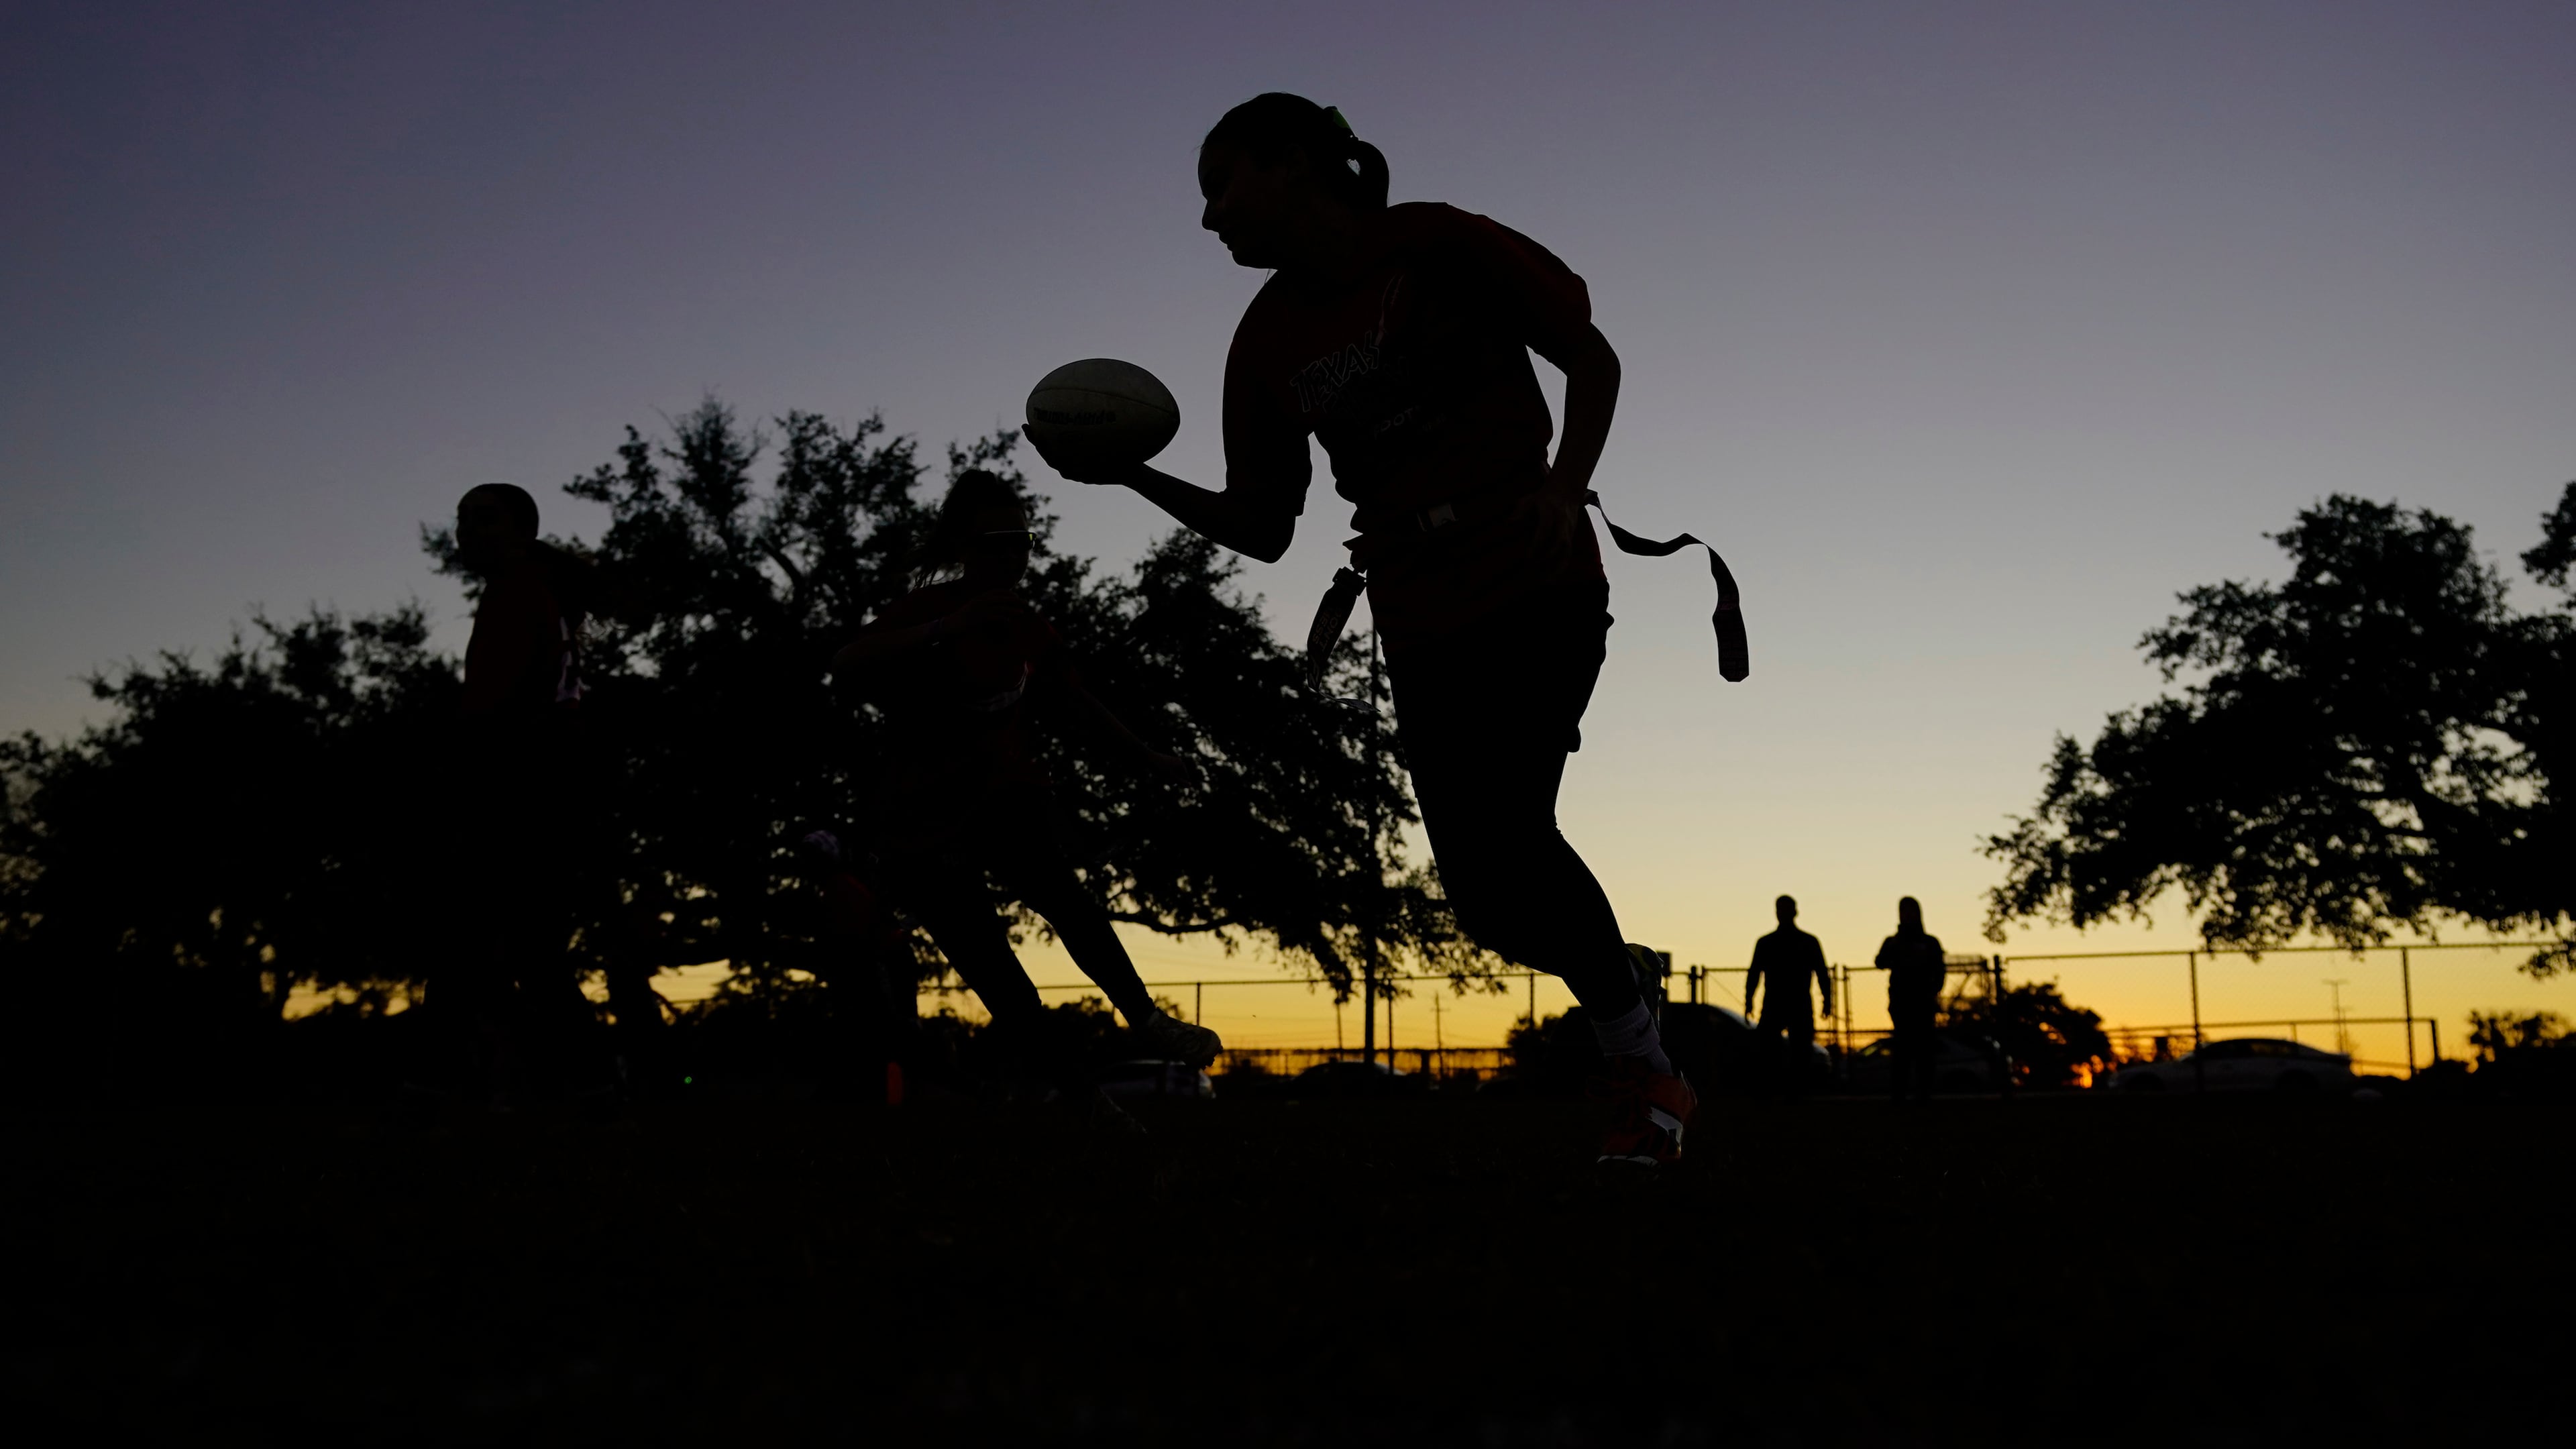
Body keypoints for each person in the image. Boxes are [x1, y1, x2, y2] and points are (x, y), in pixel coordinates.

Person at [1022, 93, 1692, 1171]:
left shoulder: (1440, 241)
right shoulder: (1264, 339)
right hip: (1417, 614)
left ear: (1295, 163)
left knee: (1516, 834)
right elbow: (1262, 525)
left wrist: (1566, 489)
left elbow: (1592, 359)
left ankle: (1646, 1073)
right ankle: (1617, 978)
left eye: (1222, 186)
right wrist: (1130, 471)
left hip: (1534, 576)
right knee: (1484, 899)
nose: (1210, 220)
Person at [829, 471, 1218, 1124]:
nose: (1011, 556)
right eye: (995, 543)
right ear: (965, 547)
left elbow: (1076, 700)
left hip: (1003, 793)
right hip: (920, 824)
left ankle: (1146, 1018)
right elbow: (845, 662)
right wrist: (947, 626)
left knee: (1063, 893)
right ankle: (1081, 1098)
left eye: (1022, 541)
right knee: (1003, 981)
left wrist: (1147, 755)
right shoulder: (929, 611)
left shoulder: (1028, 628)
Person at [447, 482, 606, 1106]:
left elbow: (489, 707)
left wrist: (467, 779)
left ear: (522, 529)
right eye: (462, 520)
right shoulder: (538, 594)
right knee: (518, 953)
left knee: (482, 947)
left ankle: (438, 1089)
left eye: (483, 519)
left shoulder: (518, 594)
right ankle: (584, 1083)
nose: (467, 531)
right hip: (541, 791)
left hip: (517, 791)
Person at [1744, 895, 1832, 1097]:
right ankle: (1788, 1091)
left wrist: (1827, 999)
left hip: (1788, 1002)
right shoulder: (1805, 942)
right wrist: (1827, 1000)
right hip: (1788, 1002)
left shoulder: (1770, 942)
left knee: (1790, 1050)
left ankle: (1786, 1091)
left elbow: (1821, 972)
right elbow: (1755, 973)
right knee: (1785, 1050)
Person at [1876, 897, 1947, 1103]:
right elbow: (1880, 962)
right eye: (1904, 912)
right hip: (1901, 1004)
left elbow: (1940, 971)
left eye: (1910, 911)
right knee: (1903, 1051)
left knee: (1924, 1052)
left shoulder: (1929, 943)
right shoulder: (1894, 941)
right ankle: (1899, 1095)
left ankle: (1924, 1094)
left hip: (1923, 1003)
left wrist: (1932, 990)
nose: (1907, 916)